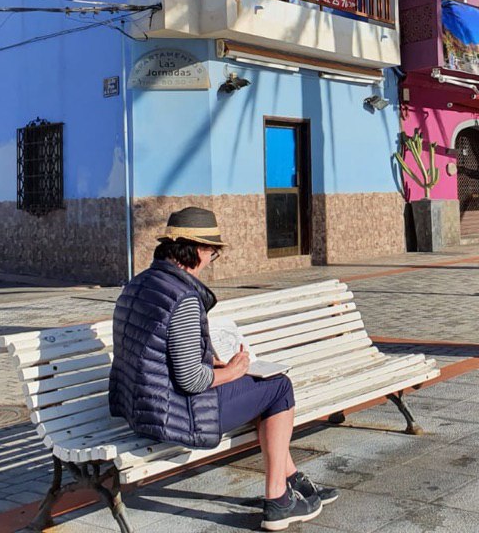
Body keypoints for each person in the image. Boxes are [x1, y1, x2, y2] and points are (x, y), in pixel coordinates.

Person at [109, 207, 337, 531]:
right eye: (212, 253)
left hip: (141, 410)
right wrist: (234, 369)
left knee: (262, 390)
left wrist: (209, 360)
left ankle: (290, 476)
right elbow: (191, 380)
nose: (210, 261)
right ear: (199, 250)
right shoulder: (184, 297)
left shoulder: (138, 285)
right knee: (278, 387)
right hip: (176, 416)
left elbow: (157, 355)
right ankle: (277, 501)